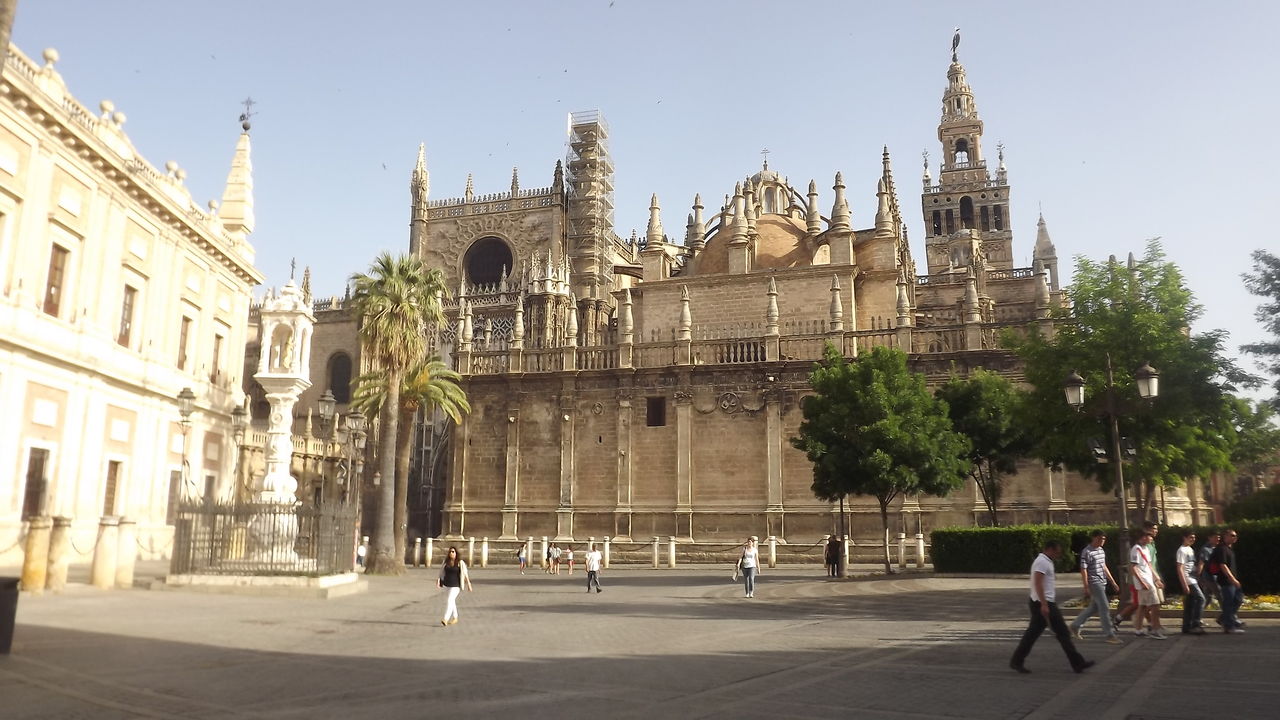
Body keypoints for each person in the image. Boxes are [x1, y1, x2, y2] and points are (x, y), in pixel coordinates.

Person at [1009, 539, 1093, 674]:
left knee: (1033, 634)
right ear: (1050, 549)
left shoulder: (1045, 561)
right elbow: (1038, 583)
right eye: (1057, 552)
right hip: (1043, 603)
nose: (1057, 555)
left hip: (1042, 602)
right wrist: (1044, 604)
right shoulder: (1042, 562)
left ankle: (1016, 661)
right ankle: (1078, 663)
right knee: (1062, 633)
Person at [1070, 530, 1122, 644]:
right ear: (1093, 538)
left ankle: (1075, 625)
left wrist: (1112, 582)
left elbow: (1104, 567)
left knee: (1094, 608)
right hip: (1094, 582)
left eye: (1103, 539)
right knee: (1104, 607)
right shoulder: (1087, 552)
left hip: (1102, 581)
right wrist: (1086, 586)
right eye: (1099, 539)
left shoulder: (1101, 551)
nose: (1102, 541)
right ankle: (1109, 635)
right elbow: (1083, 569)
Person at [1129, 532, 1167, 640]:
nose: (1151, 539)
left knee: (1143, 606)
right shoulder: (1136, 549)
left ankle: (1138, 629)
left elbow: (1149, 565)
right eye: (1150, 537)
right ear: (1143, 537)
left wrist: (1157, 579)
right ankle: (1155, 629)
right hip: (1145, 582)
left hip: (1148, 580)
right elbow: (1134, 567)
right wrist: (1142, 582)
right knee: (1155, 606)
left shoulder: (1145, 549)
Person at [1210, 528, 1244, 633]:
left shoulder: (1229, 548)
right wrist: (1232, 579)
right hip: (1226, 580)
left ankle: (1223, 618)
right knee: (1228, 602)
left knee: (1238, 599)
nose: (1235, 537)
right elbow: (1222, 565)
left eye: (1235, 535)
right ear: (1226, 536)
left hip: (1231, 580)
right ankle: (1229, 627)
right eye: (1232, 535)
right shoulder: (1222, 549)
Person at [1176, 529, 1205, 635]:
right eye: (1190, 537)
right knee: (1201, 598)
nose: (1193, 539)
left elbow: (1192, 565)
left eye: (1194, 537)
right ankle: (1195, 624)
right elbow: (1180, 568)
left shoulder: (1190, 549)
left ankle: (1186, 627)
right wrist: (1184, 584)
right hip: (1188, 579)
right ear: (1184, 538)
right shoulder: (1181, 550)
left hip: (1193, 578)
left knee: (1190, 604)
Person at [436, 546, 473, 626]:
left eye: (453, 551)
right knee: (452, 601)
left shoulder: (460, 562)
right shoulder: (446, 562)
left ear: (456, 553)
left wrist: (469, 584)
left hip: (456, 586)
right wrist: (439, 580)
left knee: (449, 600)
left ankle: (445, 619)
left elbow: (465, 573)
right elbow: (441, 571)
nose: (451, 553)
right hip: (447, 584)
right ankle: (455, 617)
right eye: (450, 552)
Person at [1197, 529, 1222, 613]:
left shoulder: (1218, 547)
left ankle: (1196, 617)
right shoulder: (1206, 549)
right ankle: (1227, 617)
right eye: (1215, 537)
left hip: (1216, 576)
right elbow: (1201, 563)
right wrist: (1198, 577)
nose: (1217, 539)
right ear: (1209, 538)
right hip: (1209, 577)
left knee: (1207, 598)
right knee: (1220, 595)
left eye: (1218, 537)